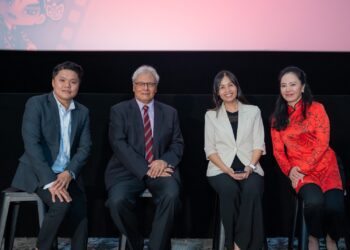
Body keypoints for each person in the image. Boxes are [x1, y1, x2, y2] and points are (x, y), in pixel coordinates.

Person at [11, 61, 92, 250]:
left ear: (78, 85)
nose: (67, 86)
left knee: (80, 211)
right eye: (62, 80)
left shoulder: (83, 112)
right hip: (38, 172)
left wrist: (69, 172)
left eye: (73, 82)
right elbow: (32, 145)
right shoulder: (36, 103)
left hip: (66, 175)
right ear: (53, 82)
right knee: (61, 204)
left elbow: (85, 147)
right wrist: (49, 181)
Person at [105, 65, 184, 250]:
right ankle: (137, 244)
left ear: (156, 87)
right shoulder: (119, 110)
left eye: (150, 84)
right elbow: (118, 144)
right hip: (126, 171)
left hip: (162, 170)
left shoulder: (170, 112)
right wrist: (147, 168)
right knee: (116, 202)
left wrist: (164, 161)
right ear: (133, 86)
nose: (146, 88)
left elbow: (178, 144)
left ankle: (156, 246)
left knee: (172, 196)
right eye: (141, 84)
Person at [270, 66, 344, 250]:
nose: (288, 89)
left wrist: (300, 167)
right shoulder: (277, 118)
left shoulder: (317, 109)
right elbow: (278, 152)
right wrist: (290, 171)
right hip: (302, 174)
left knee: (335, 208)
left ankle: (331, 239)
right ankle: (312, 237)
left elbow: (322, 144)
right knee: (314, 203)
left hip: (327, 167)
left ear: (302, 87)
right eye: (283, 85)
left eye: (293, 84)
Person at [204, 70, 266, 250]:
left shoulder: (253, 111)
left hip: (250, 165)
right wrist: (226, 169)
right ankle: (236, 242)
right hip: (220, 169)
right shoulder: (211, 115)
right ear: (217, 92)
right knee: (230, 191)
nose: (227, 90)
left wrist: (251, 166)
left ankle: (237, 245)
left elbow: (258, 144)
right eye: (222, 87)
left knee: (252, 190)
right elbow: (210, 149)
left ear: (237, 87)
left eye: (230, 84)